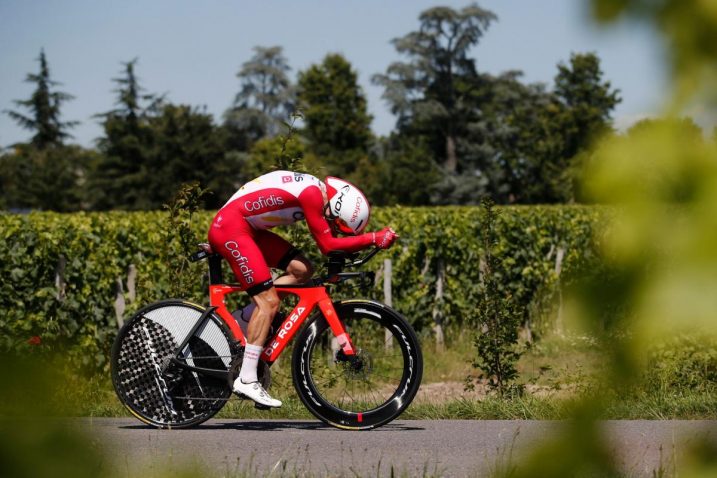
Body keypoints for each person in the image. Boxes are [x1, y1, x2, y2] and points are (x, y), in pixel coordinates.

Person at [208, 170, 398, 408]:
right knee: (269, 302)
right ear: (336, 206)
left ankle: (245, 318)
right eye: (336, 224)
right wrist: (373, 238)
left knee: (301, 270)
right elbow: (328, 245)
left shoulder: (317, 192)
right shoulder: (312, 195)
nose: (334, 229)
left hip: (244, 226)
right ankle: (247, 378)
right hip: (232, 228)